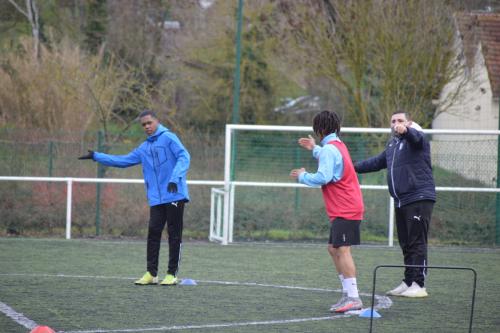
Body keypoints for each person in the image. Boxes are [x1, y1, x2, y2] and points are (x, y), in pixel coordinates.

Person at [78, 110, 190, 286]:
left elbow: (184, 156)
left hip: (175, 193)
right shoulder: (144, 148)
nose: (146, 127)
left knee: (174, 234)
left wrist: (175, 177)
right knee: (153, 233)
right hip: (156, 198)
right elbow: (122, 161)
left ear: (157, 121)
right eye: (143, 125)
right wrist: (96, 156)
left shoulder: (169, 137)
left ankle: (171, 274)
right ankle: (152, 274)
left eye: (149, 123)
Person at [354, 110, 435, 298]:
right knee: (406, 242)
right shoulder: (392, 144)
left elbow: (415, 137)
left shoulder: (417, 138)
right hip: (402, 200)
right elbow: (376, 162)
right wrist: (351, 166)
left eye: (400, 120)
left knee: (416, 242)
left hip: (419, 197)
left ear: (409, 123)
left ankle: (419, 284)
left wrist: (406, 131)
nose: (396, 123)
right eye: (393, 121)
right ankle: (408, 282)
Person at [290, 110, 364, 313]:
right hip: (344, 206)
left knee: (342, 249)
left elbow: (323, 176)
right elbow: (328, 157)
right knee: (333, 248)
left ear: (319, 129)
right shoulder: (336, 145)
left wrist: (303, 176)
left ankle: (354, 297)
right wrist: (314, 148)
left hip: (346, 207)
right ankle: (346, 294)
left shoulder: (331, 149)